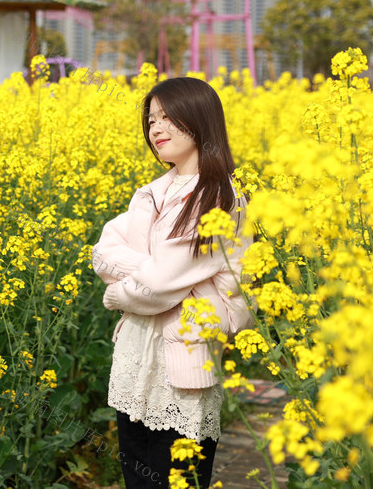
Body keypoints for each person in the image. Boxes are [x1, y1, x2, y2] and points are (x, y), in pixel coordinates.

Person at [91, 77, 252, 488]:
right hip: (135, 359)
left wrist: (119, 292)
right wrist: (149, 271)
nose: (156, 129)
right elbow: (103, 252)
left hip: (181, 368)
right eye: (151, 120)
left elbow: (160, 284)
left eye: (167, 118)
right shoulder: (152, 192)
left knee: (177, 480)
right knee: (137, 478)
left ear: (199, 120)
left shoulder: (220, 197)